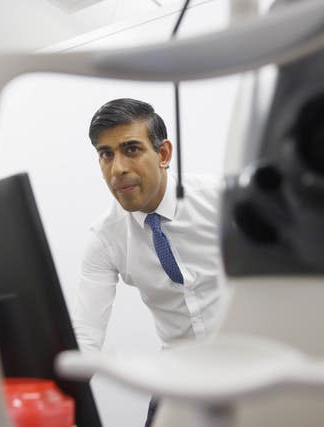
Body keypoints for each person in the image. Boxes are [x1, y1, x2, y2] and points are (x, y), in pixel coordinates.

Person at [71, 98, 225, 427]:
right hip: (177, 371)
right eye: (105, 154)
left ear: (164, 154)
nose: (118, 169)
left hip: (244, 360)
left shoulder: (220, 200)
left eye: (131, 149)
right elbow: (85, 341)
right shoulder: (105, 237)